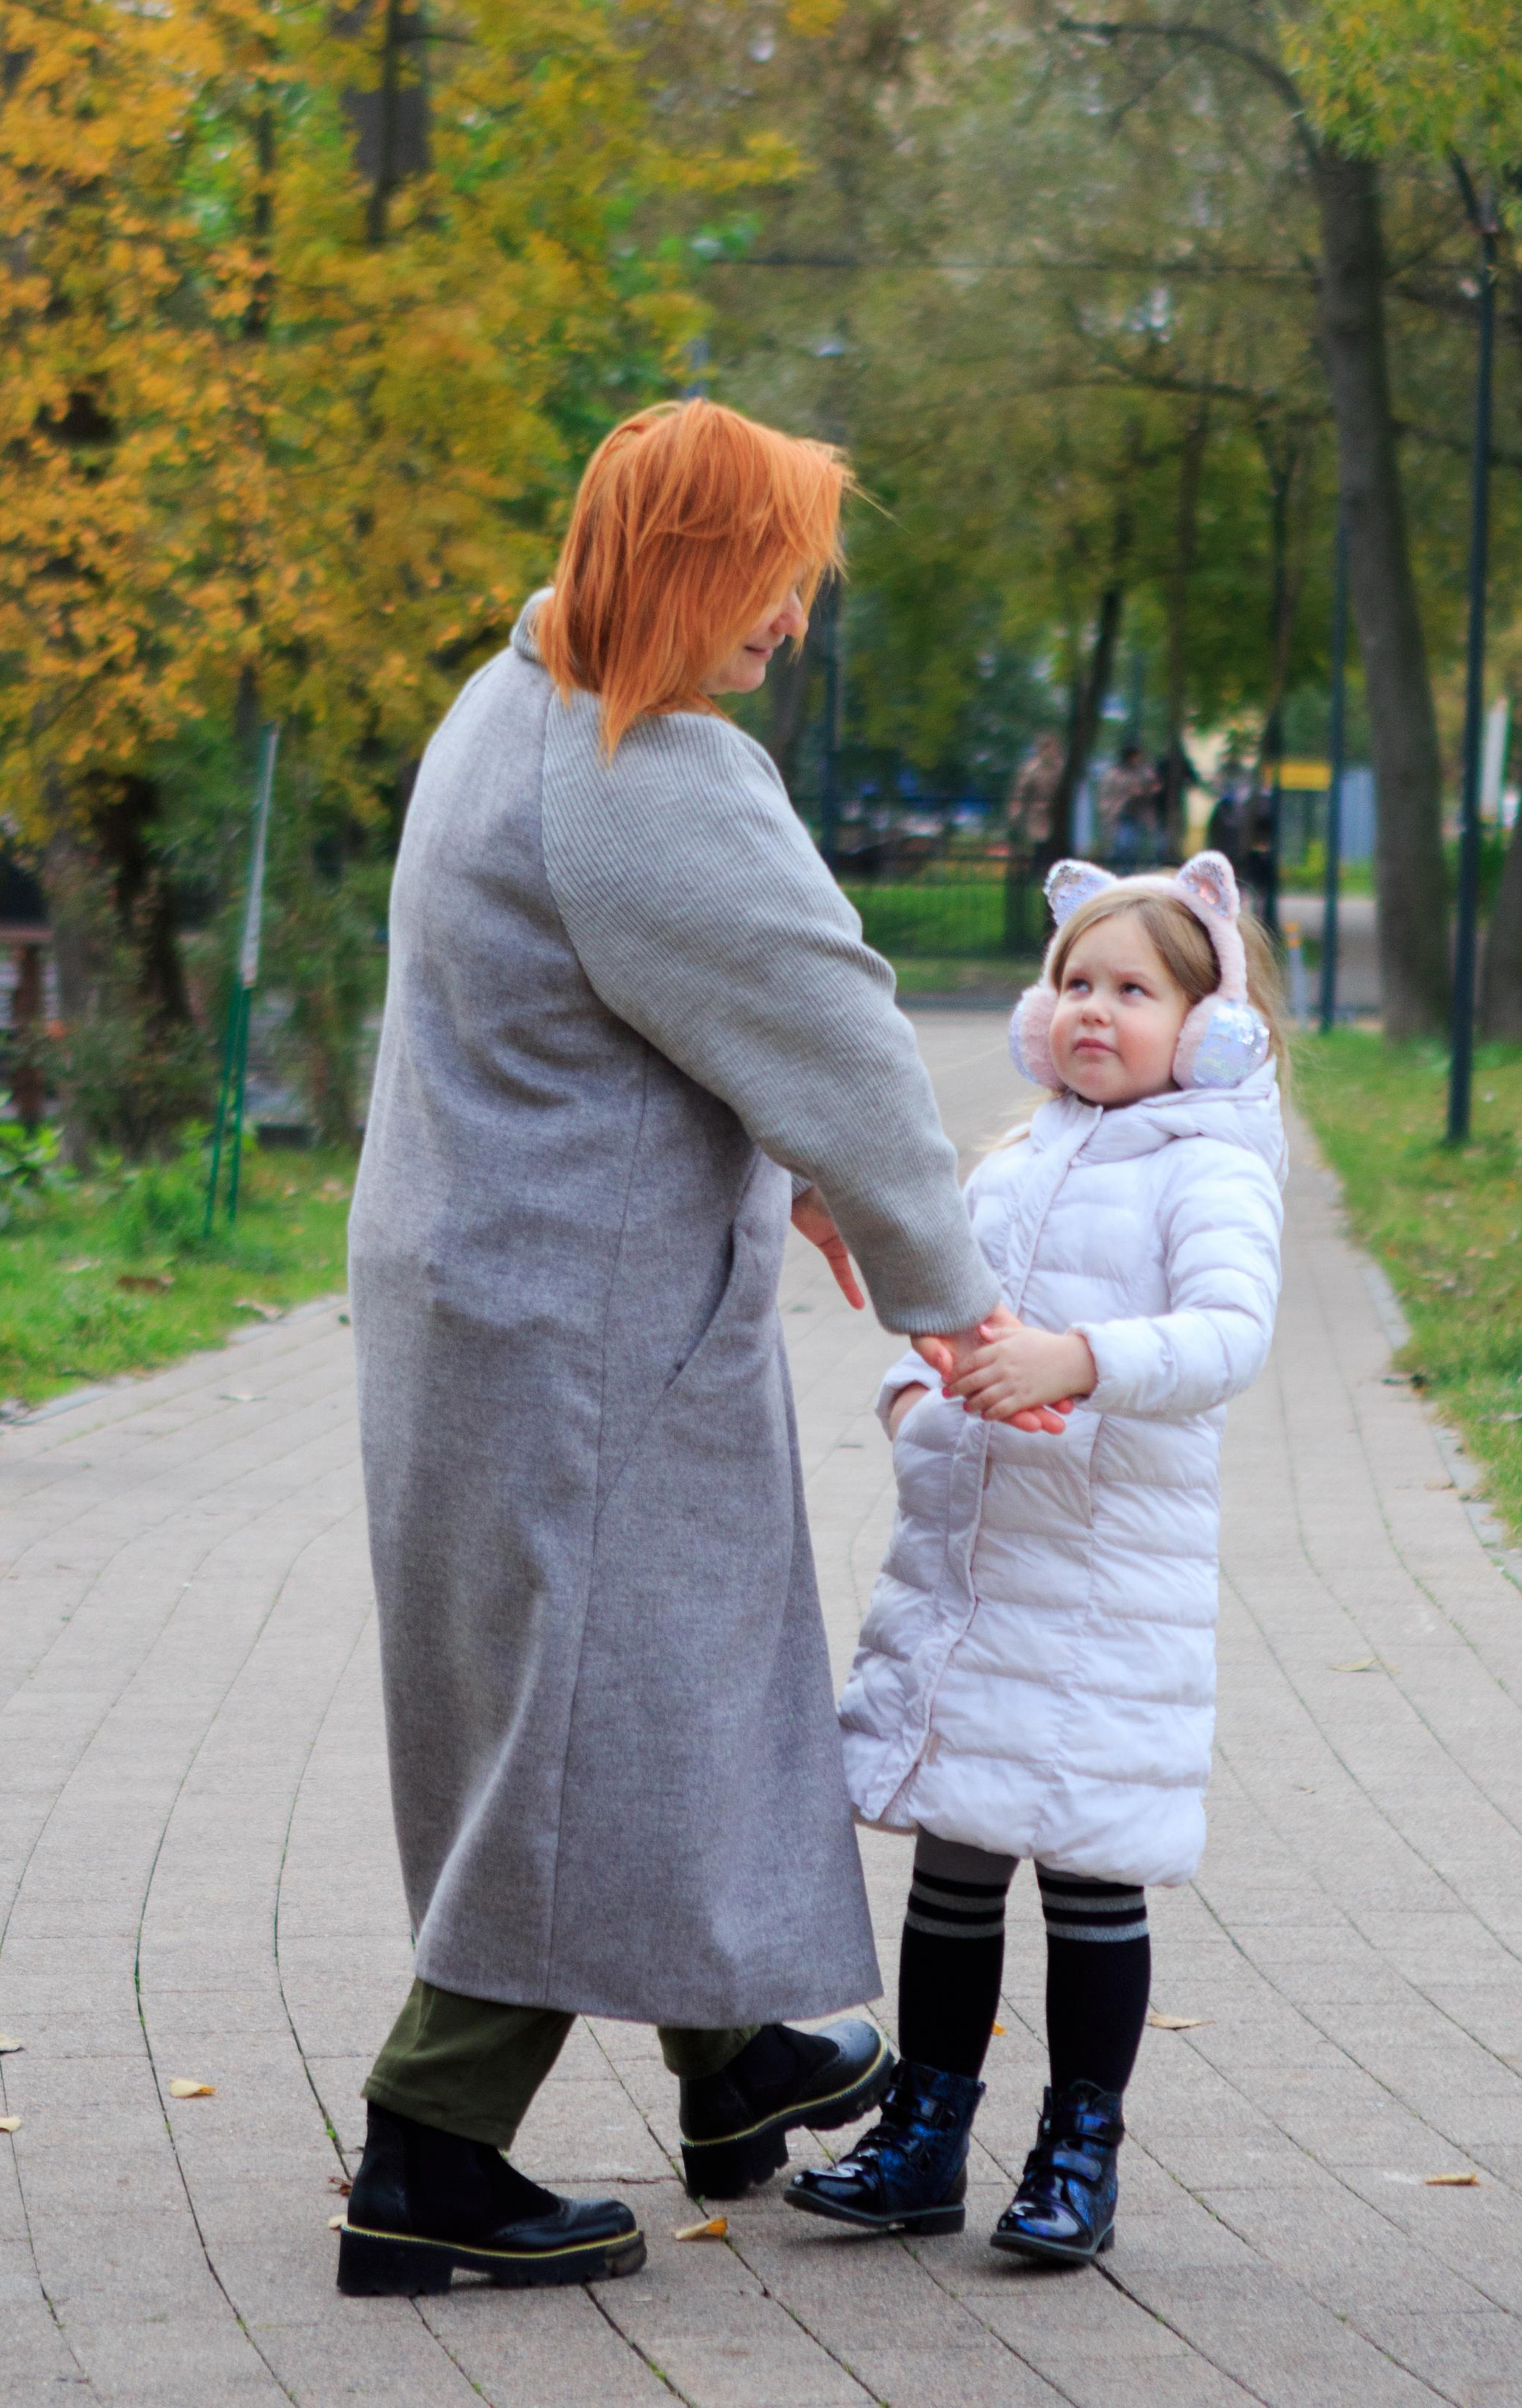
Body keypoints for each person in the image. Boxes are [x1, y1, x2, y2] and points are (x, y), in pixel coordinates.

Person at [341, 401, 1001, 2299]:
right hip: (586, 1325)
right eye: (770, 575)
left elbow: (660, 1007)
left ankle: (739, 2060)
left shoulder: (512, 700)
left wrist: (775, 1159)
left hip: (486, 1287)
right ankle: (428, 2147)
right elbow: (837, 1032)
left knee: (651, 1678)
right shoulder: (649, 770)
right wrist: (946, 1288)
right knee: (587, 1710)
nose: (787, 618)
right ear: (696, 567)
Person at [788, 850, 1287, 2268]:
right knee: (954, 1867)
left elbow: (1228, 1339)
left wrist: (1085, 1359)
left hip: (1102, 1587)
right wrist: (913, 1396)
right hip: (975, 1582)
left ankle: (1081, 2148)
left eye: (1133, 991)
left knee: (1087, 1873)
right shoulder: (1012, 1161)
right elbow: (938, 1320)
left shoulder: (1213, 1168)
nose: (1092, 1011)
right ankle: (927, 2132)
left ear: (1205, 1027)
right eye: (1074, 982)